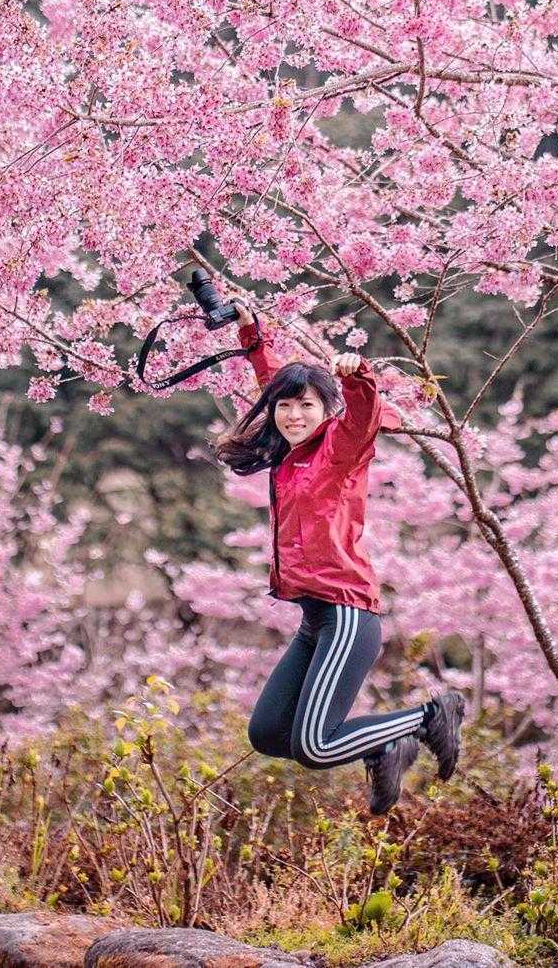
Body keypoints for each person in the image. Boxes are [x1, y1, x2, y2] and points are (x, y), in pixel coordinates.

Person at [213, 299, 465, 815]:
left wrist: (358, 377)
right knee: (267, 734)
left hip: (347, 611)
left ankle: (431, 715)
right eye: (285, 406)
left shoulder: (341, 447)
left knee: (316, 745)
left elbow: (364, 412)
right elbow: (275, 380)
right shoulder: (289, 450)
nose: (293, 415)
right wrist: (250, 332)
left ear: (328, 410)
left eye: (307, 405)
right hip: (315, 618)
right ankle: (385, 746)